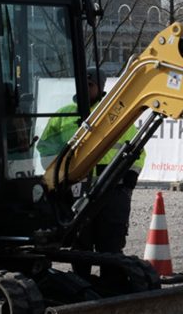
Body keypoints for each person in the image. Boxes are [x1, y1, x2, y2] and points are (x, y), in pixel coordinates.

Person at [39, 67, 145, 281]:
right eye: (83, 84)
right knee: (80, 242)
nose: (86, 89)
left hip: (112, 189)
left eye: (90, 85)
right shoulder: (63, 115)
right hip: (77, 190)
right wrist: (59, 177)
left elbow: (137, 151)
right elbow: (46, 148)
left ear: (101, 86)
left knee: (111, 242)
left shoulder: (114, 115)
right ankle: (81, 283)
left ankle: (111, 285)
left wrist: (131, 176)